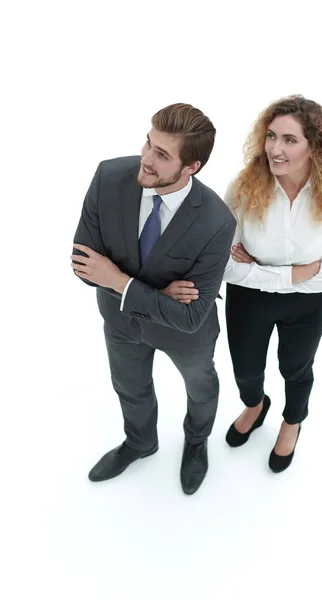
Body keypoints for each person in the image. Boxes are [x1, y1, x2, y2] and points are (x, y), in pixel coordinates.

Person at [71, 103, 236, 495]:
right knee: (130, 387)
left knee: (201, 389)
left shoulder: (217, 223)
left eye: (162, 155)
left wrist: (119, 280)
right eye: (148, 144)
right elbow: (82, 266)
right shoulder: (109, 176)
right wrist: (152, 291)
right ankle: (140, 442)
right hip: (120, 322)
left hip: (186, 337)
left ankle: (196, 442)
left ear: (191, 167)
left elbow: (192, 316)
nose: (145, 160)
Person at [223, 95, 322, 472]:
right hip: (247, 300)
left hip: (307, 304)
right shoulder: (244, 186)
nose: (275, 149)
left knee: (296, 368)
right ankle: (255, 404)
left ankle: (292, 422)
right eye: (271, 136)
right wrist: (295, 274)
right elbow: (222, 264)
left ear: (315, 146)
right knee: (245, 369)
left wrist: (258, 269)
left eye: (290, 140)